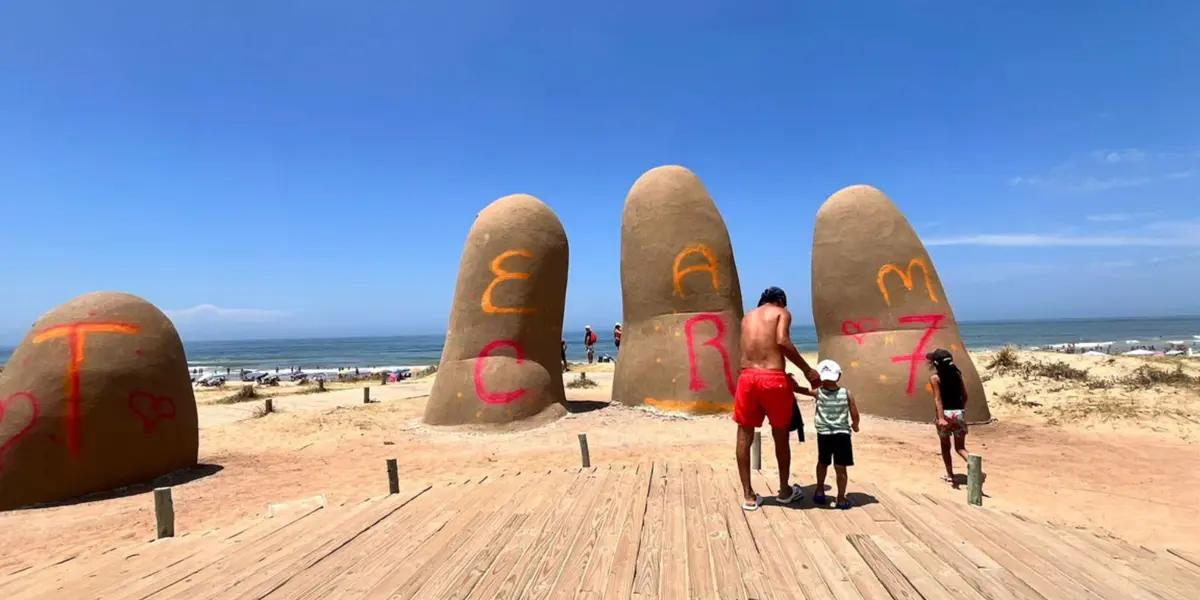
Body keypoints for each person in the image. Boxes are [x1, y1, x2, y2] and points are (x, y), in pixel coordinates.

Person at [733, 286, 820, 511]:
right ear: (780, 301)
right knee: (780, 434)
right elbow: (782, 341)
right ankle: (784, 491)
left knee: (744, 434)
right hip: (773, 379)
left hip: (747, 378)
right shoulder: (781, 312)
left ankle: (748, 496)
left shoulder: (747, 318)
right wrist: (808, 370)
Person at [812, 359, 860, 510]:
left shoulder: (818, 392)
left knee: (822, 463)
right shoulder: (846, 393)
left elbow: (799, 389)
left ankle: (820, 490)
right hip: (842, 435)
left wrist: (791, 382)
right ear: (838, 376)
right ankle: (841, 498)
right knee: (841, 467)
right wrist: (855, 425)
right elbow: (854, 413)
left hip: (824, 434)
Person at [927, 348, 970, 488]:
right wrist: (960, 411)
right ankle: (975, 467)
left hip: (944, 415)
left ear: (936, 364)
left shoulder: (935, 378)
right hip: (958, 414)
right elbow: (965, 396)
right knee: (960, 448)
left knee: (945, 447)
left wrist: (941, 418)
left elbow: (938, 399)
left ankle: (950, 476)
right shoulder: (957, 375)